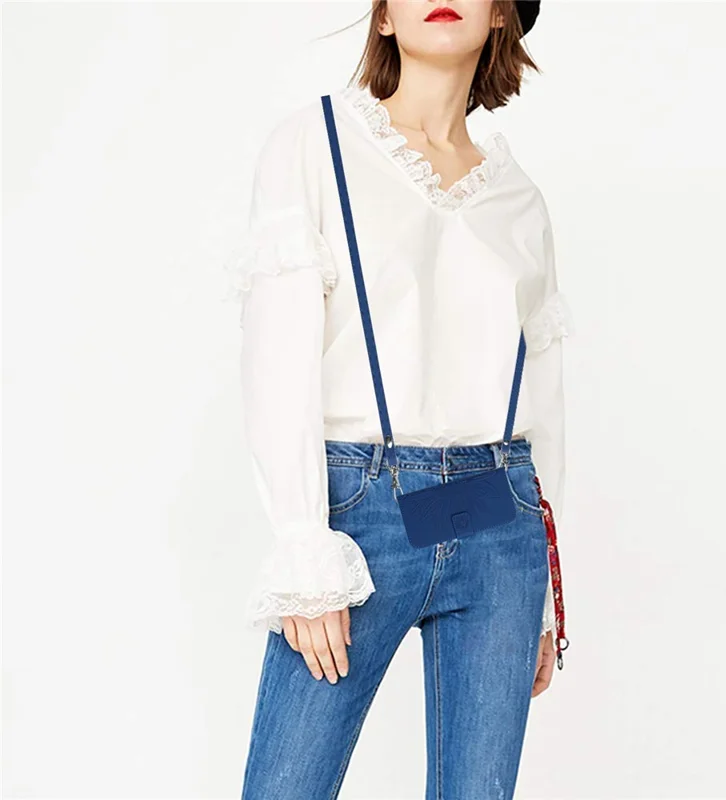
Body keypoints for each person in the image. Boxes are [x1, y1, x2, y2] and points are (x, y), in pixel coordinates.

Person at [224, 2, 574, 797]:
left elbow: (544, 397)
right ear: (383, 18)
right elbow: (277, 353)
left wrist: (546, 598)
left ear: (501, 15)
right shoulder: (315, 143)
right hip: (358, 520)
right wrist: (303, 546)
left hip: (500, 519)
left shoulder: (519, 198)